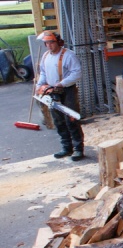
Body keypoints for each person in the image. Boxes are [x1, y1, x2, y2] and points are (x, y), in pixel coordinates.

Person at [36, 31, 85, 161]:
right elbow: (43, 73)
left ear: (58, 42)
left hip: (67, 90)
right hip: (52, 91)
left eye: (51, 42)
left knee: (71, 119)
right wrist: (39, 86)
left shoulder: (69, 55)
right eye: (46, 43)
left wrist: (62, 83)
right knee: (58, 121)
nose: (49, 45)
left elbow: (77, 73)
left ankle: (78, 149)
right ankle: (66, 147)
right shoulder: (45, 56)